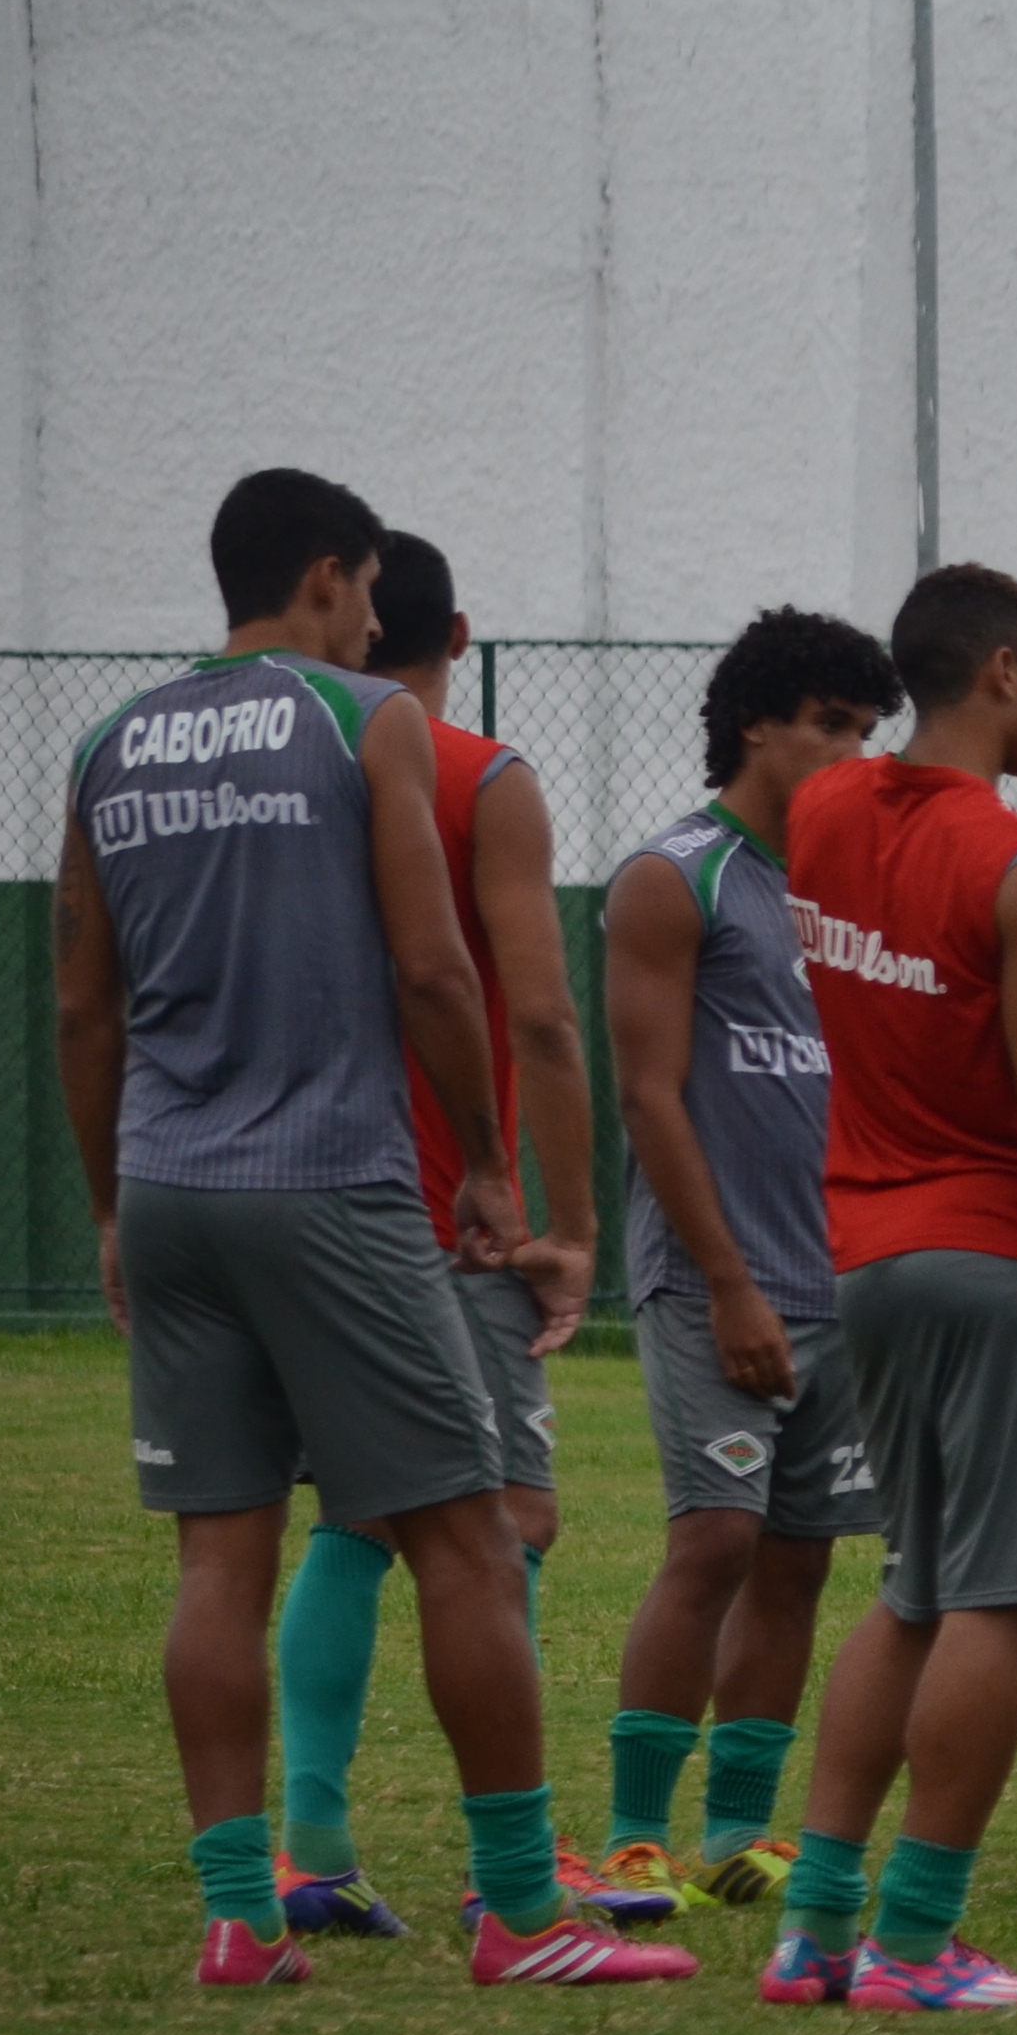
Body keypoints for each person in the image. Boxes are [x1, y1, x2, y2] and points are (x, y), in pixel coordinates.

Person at [52, 468, 685, 1990]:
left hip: (172, 1185)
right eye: (368, 593)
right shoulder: (364, 720)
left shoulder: (107, 742)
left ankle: (237, 1914)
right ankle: (528, 1916)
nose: (374, 619)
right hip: (330, 1180)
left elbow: (83, 1003)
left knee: (222, 1558)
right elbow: (436, 972)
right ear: (331, 578)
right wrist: (482, 1162)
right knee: (470, 1537)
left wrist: (110, 1207)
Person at [760, 563, 1017, 2015]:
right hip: (1000, 1263)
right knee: (1001, 1597)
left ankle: (813, 1930)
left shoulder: (819, 813)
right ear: (1000, 673)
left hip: (866, 1257)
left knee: (914, 1588)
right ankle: (916, 1945)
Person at [262, 530, 618, 1933]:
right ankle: (505, 1869)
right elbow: (537, 1011)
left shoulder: (289, 770)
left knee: (353, 1515)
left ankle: (309, 1846)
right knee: (509, 1515)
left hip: (293, 1184)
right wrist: (562, 1216)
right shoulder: (479, 776)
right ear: (456, 638)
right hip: (445, 1205)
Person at [596, 610, 899, 1908]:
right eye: (831, 724)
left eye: (866, 730)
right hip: (719, 1284)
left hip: (848, 1284)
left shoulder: (855, 889)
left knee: (799, 1557)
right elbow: (651, 1098)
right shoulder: (677, 877)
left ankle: (740, 1834)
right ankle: (628, 1835)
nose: (851, 752)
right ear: (756, 726)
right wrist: (726, 1283)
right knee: (712, 1542)